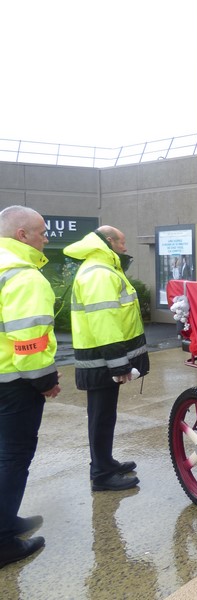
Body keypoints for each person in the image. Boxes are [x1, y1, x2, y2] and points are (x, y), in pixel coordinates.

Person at [64, 226, 150, 491]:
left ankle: (105, 462)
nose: (125, 247)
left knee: (103, 415)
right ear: (109, 241)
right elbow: (105, 322)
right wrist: (118, 363)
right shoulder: (99, 273)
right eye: (122, 242)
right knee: (101, 416)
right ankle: (101, 474)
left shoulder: (101, 268)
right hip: (102, 360)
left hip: (100, 359)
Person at [0, 206, 60, 568]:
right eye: (42, 232)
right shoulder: (24, 276)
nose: (46, 239)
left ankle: (6, 521)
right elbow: (30, 342)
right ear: (22, 234)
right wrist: (45, 382)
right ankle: (3, 541)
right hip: (15, 383)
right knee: (13, 457)